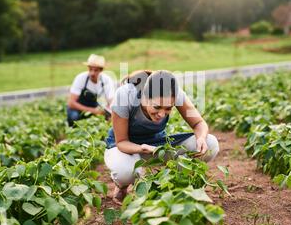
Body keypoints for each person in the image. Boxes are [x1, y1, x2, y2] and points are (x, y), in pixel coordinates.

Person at [104, 70, 220, 204]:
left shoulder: (175, 94)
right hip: (125, 147)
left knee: (210, 143)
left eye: (168, 108)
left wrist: (200, 138)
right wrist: (141, 148)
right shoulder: (124, 96)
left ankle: (178, 184)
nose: (161, 114)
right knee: (125, 172)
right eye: (157, 107)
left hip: (156, 145)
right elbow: (122, 142)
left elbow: (199, 123)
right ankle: (122, 187)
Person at [67, 54, 115, 126]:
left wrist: (109, 112)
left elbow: (111, 101)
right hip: (78, 108)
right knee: (74, 117)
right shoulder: (81, 78)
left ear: (101, 70)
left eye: (96, 70)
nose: (92, 73)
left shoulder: (106, 80)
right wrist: (93, 111)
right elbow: (71, 103)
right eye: (90, 69)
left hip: (96, 108)